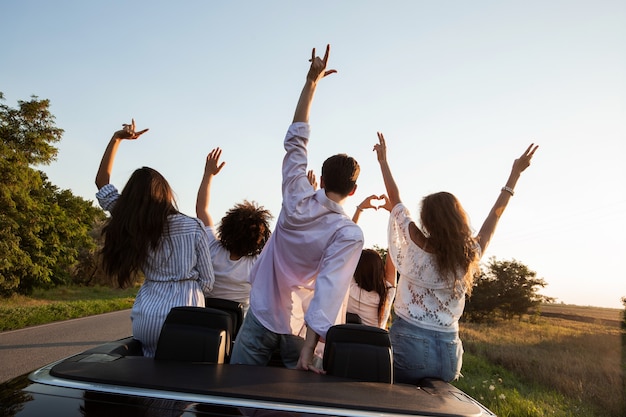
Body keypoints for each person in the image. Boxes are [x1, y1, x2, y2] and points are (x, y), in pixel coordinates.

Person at [229, 45, 364, 372]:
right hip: (298, 327)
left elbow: (296, 140)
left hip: (261, 312)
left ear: (321, 179)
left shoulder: (295, 196)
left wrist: (311, 82)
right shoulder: (348, 234)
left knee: (233, 394)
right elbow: (329, 291)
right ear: (353, 190)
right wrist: (309, 350)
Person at [373, 131, 538, 383]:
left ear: (427, 220)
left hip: (410, 345)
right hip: (449, 352)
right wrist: (514, 175)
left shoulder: (415, 241)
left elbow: (395, 200)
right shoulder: (468, 255)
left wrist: (383, 161)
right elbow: (495, 215)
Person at [96, 119, 215, 358]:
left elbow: (102, 182)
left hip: (146, 316)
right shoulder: (193, 226)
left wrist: (117, 138)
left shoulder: (130, 219)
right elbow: (209, 282)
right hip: (187, 313)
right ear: (166, 193)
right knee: (183, 378)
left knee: (148, 375)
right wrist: (189, 288)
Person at [196, 147, 273, 314]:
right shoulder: (257, 264)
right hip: (236, 331)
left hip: (202, 322)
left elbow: (201, 209)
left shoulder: (211, 249)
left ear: (226, 226)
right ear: (259, 238)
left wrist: (208, 174)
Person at [348, 196, 397, 329]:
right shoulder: (386, 294)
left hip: (345, 347)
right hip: (377, 349)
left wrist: (360, 209)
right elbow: (393, 250)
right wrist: (393, 215)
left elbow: (348, 244)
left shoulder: (349, 289)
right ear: (381, 270)